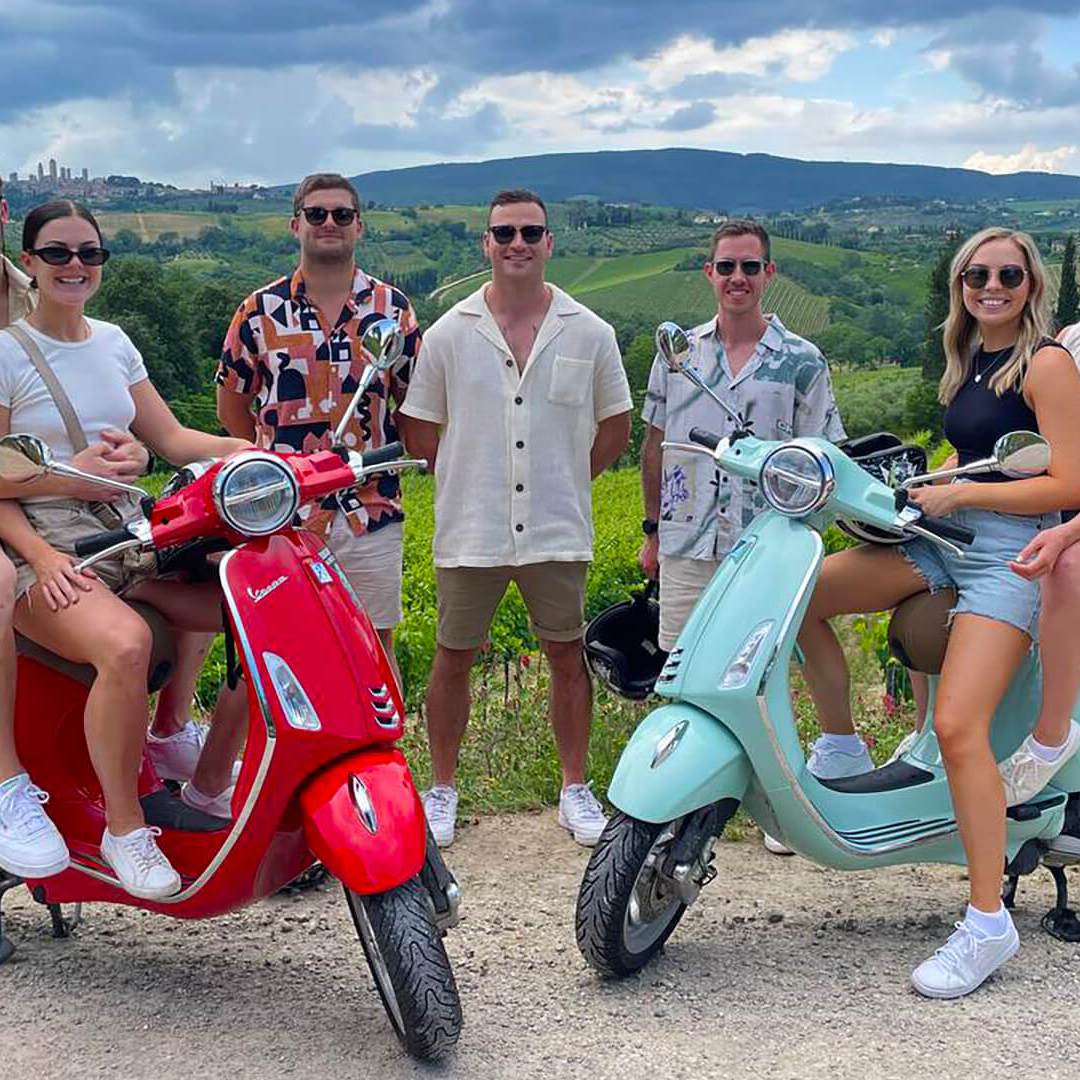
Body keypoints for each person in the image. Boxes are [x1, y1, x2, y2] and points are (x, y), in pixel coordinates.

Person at [797, 227, 1080, 998]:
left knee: (957, 727)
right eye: (977, 275)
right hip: (943, 535)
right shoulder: (969, 362)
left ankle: (987, 922)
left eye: (1009, 275)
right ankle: (843, 749)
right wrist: (931, 482)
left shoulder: (1047, 362)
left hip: (1008, 554)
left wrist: (965, 494)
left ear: (1032, 286)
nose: (992, 286)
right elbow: (980, 452)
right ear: (960, 285)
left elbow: (1068, 482)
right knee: (800, 597)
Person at [0, 200, 251, 898]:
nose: (74, 265)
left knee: (254, 610)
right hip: (42, 543)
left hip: (122, 536)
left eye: (89, 253)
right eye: (57, 253)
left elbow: (172, 440)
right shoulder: (6, 353)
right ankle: (125, 829)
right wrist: (45, 551)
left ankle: (207, 787)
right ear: (30, 263)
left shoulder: (113, 342)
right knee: (124, 647)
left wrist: (265, 456)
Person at [401, 189, 632, 848]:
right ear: (486, 244)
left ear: (549, 242)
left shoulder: (591, 332)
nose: (517, 244)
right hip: (470, 527)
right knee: (452, 657)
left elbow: (615, 426)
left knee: (566, 654)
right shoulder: (448, 334)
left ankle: (572, 787)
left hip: (557, 525)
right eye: (504, 233)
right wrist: (472, 477)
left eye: (530, 232)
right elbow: (420, 429)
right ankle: (442, 788)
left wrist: (565, 478)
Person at [638, 219, 849, 854]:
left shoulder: (802, 361)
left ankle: (770, 802)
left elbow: (825, 460)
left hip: (764, 547)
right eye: (726, 266)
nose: (737, 278)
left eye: (750, 267)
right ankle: (676, 801)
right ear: (709, 273)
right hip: (685, 537)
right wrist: (652, 529)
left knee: (760, 676)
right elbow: (656, 444)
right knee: (676, 670)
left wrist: (805, 543)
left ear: (769, 275)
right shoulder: (678, 353)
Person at [216, 173, 419, 687]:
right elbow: (232, 409)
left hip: (368, 508)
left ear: (359, 227)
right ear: (295, 225)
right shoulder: (257, 311)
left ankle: (381, 763)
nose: (329, 223)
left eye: (341, 215)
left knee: (373, 643)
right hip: (281, 514)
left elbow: (412, 405)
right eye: (317, 214)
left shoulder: (392, 311)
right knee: (279, 646)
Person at [994, 317, 1080, 804]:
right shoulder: (1069, 340)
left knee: (1067, 568)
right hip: (1065, 498)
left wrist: (1066, 531)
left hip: (1072, 511)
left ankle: (1052, 738)